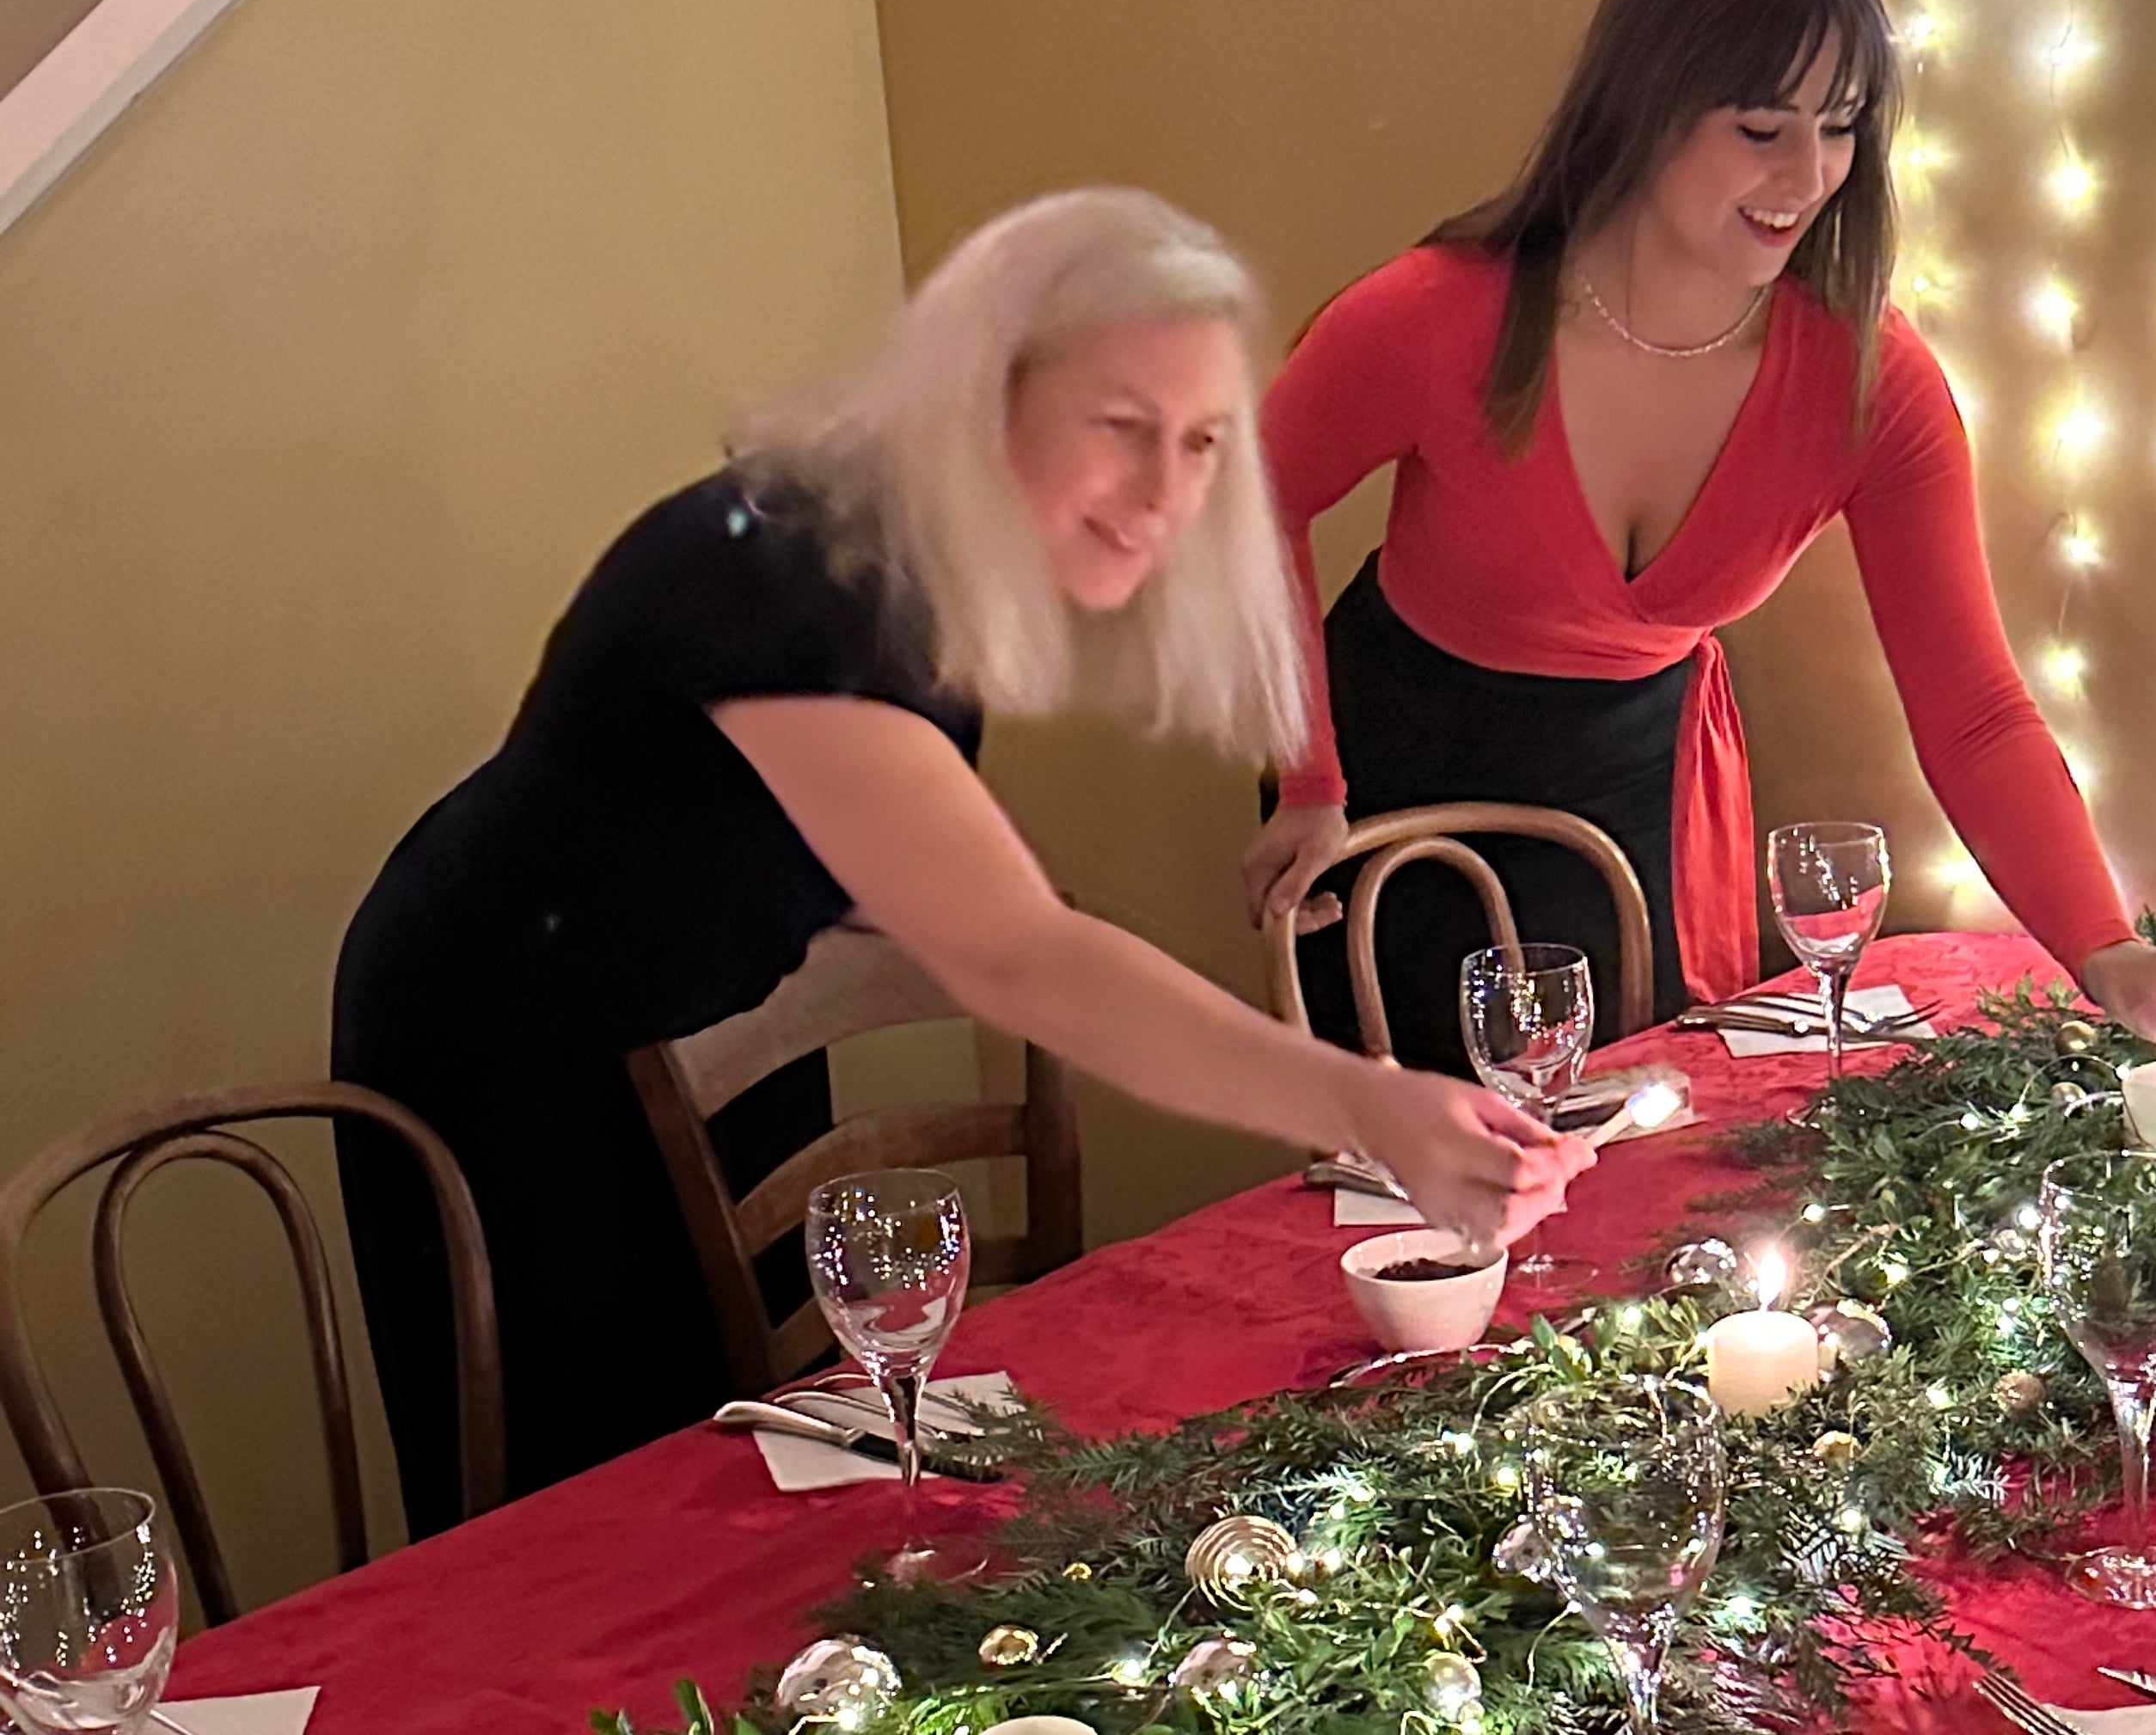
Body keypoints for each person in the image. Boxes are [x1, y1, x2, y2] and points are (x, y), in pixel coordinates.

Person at [334, 188, 1589, 1528]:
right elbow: (1020, 954)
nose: (1168, 493)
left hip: (696, 988)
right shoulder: (792, 589)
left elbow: (935, 885)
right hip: (506, 1033)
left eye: (1204, 443)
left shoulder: (925, 556)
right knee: (583, 1509)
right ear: (987, 392)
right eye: (1122, 429)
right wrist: (1372, 1103)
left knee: (739, 1464)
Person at [1246, 0, 2156, 1076]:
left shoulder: (1873, 384)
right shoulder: (1438, 316)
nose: (1810, 174)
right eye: (1762, 127)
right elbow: (1249, 503)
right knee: (1408, 1215)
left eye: (1841, 128)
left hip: (1642, 793)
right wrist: (1308, 772)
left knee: (1624, 1178)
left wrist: (2106, 948)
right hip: (1386, 780)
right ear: (1647, 104)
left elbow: (1976, 712)